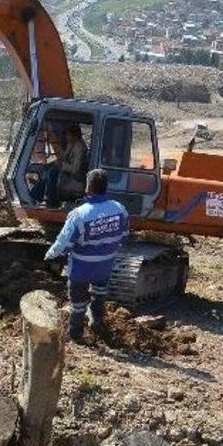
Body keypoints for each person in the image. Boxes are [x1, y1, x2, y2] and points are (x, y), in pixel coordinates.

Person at [44, 168, 129, 342]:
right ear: (106, 187)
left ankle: (76, 333)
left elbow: (63, 243)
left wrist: (50, 255)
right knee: (99, 292)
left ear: (87, 188)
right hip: (105, 265)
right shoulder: (120, 209)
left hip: (82, 267)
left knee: (78, 302)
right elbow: (124, 234)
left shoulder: (79, 214)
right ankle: (97, 321)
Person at [30, 123, 88, 207]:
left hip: (76, 177)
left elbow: (75, 169)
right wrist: (55, 162)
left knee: (52, 173)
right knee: (47, 168)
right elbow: (64, 156)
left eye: (68, 135)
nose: (66, 137)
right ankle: (37, 195)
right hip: (68, 173)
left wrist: (62, 165)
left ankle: (51, 201)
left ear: (74, 136)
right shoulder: (71, 144)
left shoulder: (80, 148)